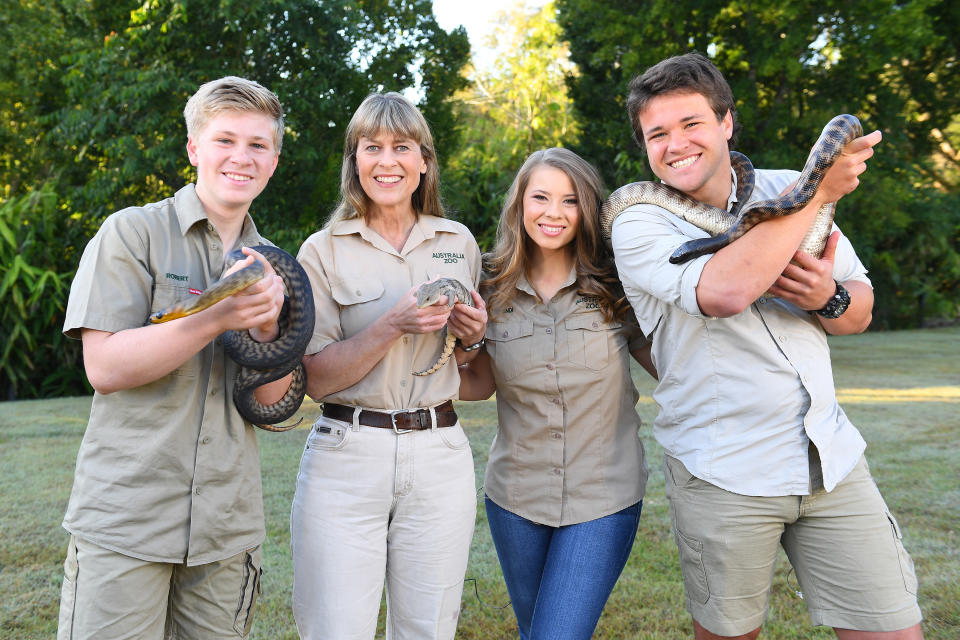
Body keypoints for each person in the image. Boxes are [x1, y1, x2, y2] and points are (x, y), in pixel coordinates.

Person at [611, 52, 923, 639]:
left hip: (829, 460)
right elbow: (725, 291)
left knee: (895, 629)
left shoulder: (789, 186)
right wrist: (816, 196)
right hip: (722, 470)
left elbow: (859, 313)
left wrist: (826, 296)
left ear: (727, 123)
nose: (675, 144)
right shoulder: (637, 220)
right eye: (657, 134)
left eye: (691, 124)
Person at [58, 76, 291, 639]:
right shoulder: (132, 233)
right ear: (193, 149)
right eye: (225, 140)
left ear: (275, 160)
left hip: (225, 533)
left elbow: (271, 404)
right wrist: (216, 316)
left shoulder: (275, 265)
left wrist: (266, 330)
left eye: (258, 145)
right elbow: (106, 367)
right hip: (127, 523)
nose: (242, 157)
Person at [290, 91, 488, 640]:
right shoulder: (322, 251)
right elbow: (314, 379)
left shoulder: (458, 243)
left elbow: (469, 364)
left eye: (402, 146)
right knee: (336, 628)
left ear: (423, 160)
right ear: (355, 160)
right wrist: (391, 326)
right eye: (371, 147)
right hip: (346, 456)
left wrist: (471, 339)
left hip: (440, 455)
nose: (387, 160)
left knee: (428, 629)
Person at [457, 147, 657, 639]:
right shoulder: (487, 284)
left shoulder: (618, 284)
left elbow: (677, 367)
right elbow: (479, 385)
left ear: (586, 209)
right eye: (540, 197)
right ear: (519, 205)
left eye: (569, 201)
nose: (553, 213)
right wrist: (461, 346)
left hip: (603, 498)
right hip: (515, 499)